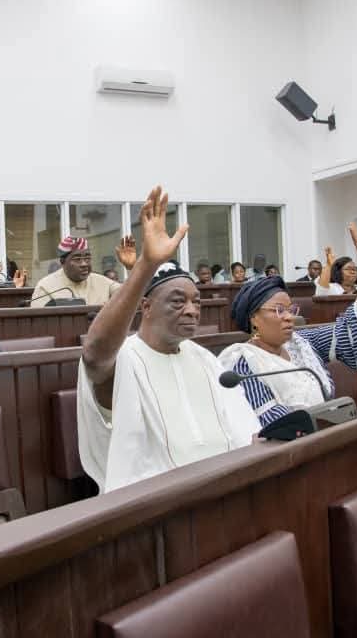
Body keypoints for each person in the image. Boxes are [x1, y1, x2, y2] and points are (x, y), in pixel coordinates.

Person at [77, 187, 261, 493]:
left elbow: (245, 428)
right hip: (155, 504)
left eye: (196, 302)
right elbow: (95, 355)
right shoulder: (124, 359)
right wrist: (145, 265)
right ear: (146, 307)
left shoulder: (204, 358)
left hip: (226, 489)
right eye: (178, 301)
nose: (191, 310)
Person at [219, 224, 357, 425]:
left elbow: (353, 329)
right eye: (279, 310)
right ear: (253, 317)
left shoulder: (302, 343)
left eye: (291, 310)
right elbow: (274, 423)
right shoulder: (243, 361)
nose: (289, 317)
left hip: (329, 432)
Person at [30, 236, 127, 307]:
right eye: (77, 259)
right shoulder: (45, 286)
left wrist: (131, 267)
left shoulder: (102, 281)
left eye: (87, 258)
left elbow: (128, 294)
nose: (84, 264)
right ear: (62, 262)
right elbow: (39, 321)